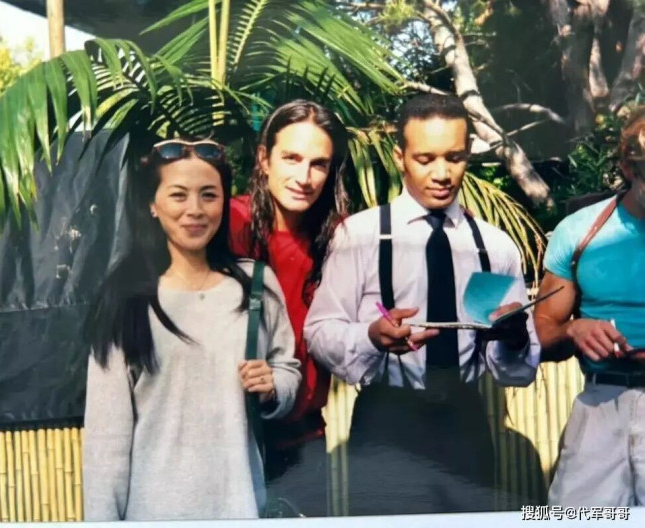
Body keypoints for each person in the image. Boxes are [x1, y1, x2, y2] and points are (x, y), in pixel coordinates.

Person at [304, 93, 540, 515]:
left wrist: (515, 339)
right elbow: (320, 332)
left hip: (466, 423)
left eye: (454, 157)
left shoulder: (492, 247)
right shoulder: (360, 236)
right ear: (400, 157)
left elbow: (515, 371)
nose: (442, 173)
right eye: (426, 159)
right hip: (385, 422)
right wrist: (370, 337)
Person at [82, 136, 301, 521]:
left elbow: (287, 369)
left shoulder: (256, 284)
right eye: (178, 195)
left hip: (241, 507)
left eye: (209, 195)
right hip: (153, 514)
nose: (195, 210)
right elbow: (106, 442)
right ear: (152, 204)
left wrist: (273, 387)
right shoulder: (125, 299)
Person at [229, 99, 349, 517]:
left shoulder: (340, 237)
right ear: (264, 159)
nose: (304, 177)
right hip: (232, 439)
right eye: (291, 158)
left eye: (318, 164)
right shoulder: (228, 223)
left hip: (303, 440)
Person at [536, 107, 645, 507]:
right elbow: (542, 332)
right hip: (602, 401)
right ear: (629, 169)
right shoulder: (579, 231)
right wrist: (572, 330)